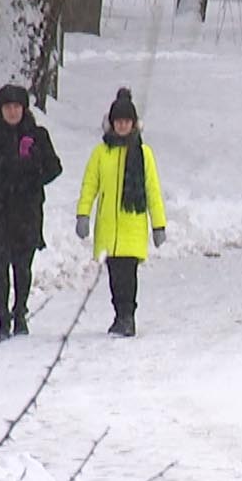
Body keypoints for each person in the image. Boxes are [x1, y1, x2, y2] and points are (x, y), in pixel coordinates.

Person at [0, 84, 63, 339]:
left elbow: (54, 168)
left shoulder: (37, 135)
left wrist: (34, 170)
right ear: (0, 110)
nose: (13, 111)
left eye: (17, 106)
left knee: (23, 265)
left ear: (24, 109)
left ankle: (20, 312)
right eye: (8, 107)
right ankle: (2, 316)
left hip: (27, 211)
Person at [75, 87, 166, 337]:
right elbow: (90, 185)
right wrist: (83, 213)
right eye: (119, 121)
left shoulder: (144, 154)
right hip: (108, 227)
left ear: (134, 124)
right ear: (112, 124)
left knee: (129, 275)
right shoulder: (101, 153)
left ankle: (128, 316)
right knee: (115, 276)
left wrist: (159, 224)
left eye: (127, 121)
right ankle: (119, 314)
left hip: (132, 226)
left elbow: (153, 191)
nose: (123, 125)